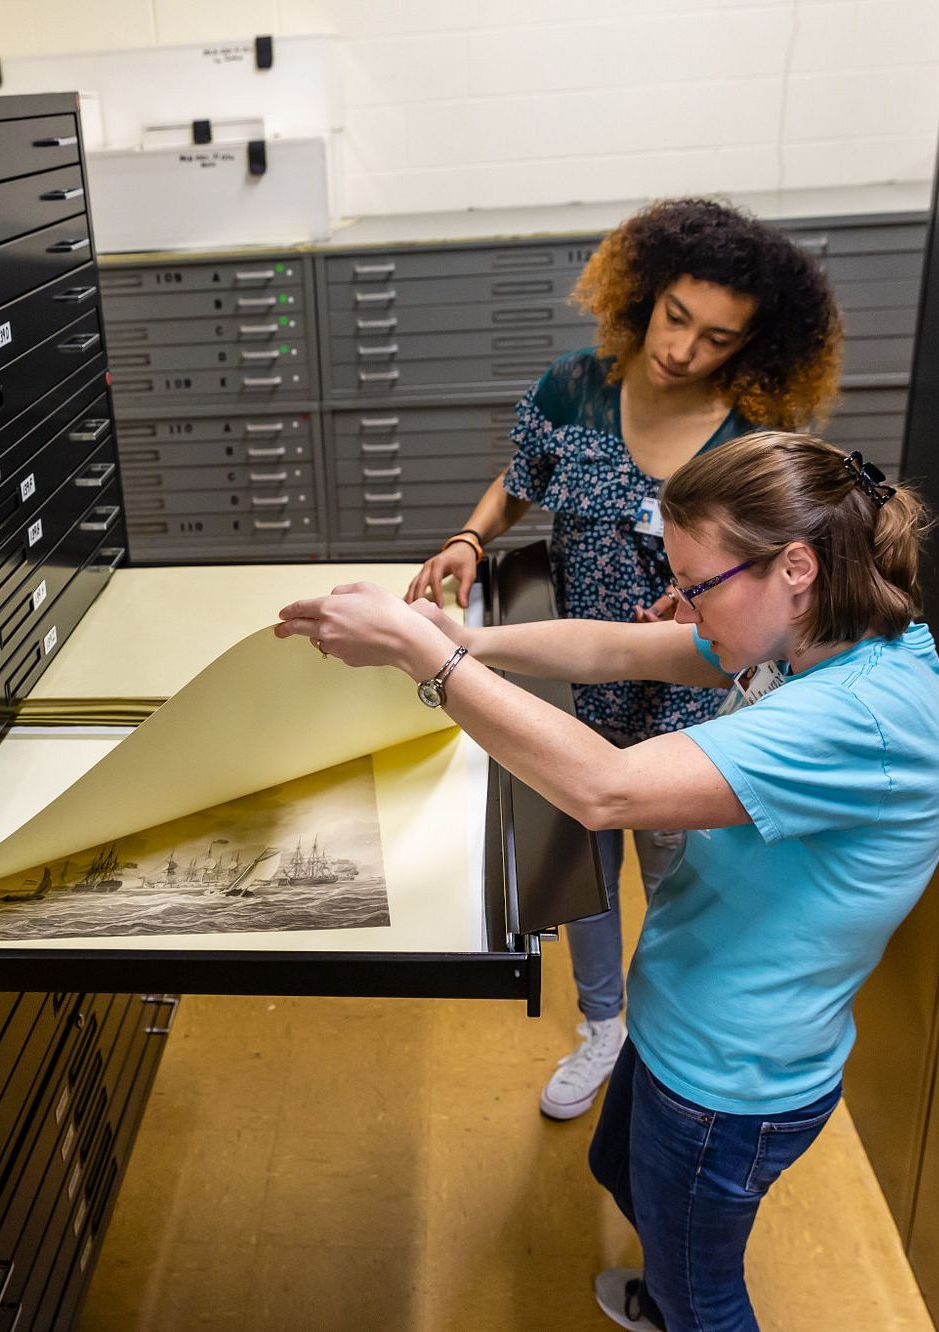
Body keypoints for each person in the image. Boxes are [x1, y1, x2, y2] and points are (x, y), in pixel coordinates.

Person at [275, 431, 939, 1331]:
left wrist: (428, 662)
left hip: (728, 1077)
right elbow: (618, 652)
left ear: (794, 565)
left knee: (703, 1293)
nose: (677, 608)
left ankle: (676, 1303)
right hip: (684, 1021)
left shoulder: (859, 714)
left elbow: (605, 790)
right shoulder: (814, 636)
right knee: (619, 1175)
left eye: (696, 586)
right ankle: (666, 1287)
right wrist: (468, 638)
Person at [406, 197, 843, 1119]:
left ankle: (666, 1033)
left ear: (751, 349)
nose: (681, 349)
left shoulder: (752, 433)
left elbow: (777, 561)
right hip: (578, 660)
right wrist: (470, 539)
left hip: (695, 672)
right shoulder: (575, 386)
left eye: (715, 338)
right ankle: (601, 1024)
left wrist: (703, 596)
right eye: (673, 317)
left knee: (675, 857)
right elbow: (518, 480)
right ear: (643, 295)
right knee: (582, 851)